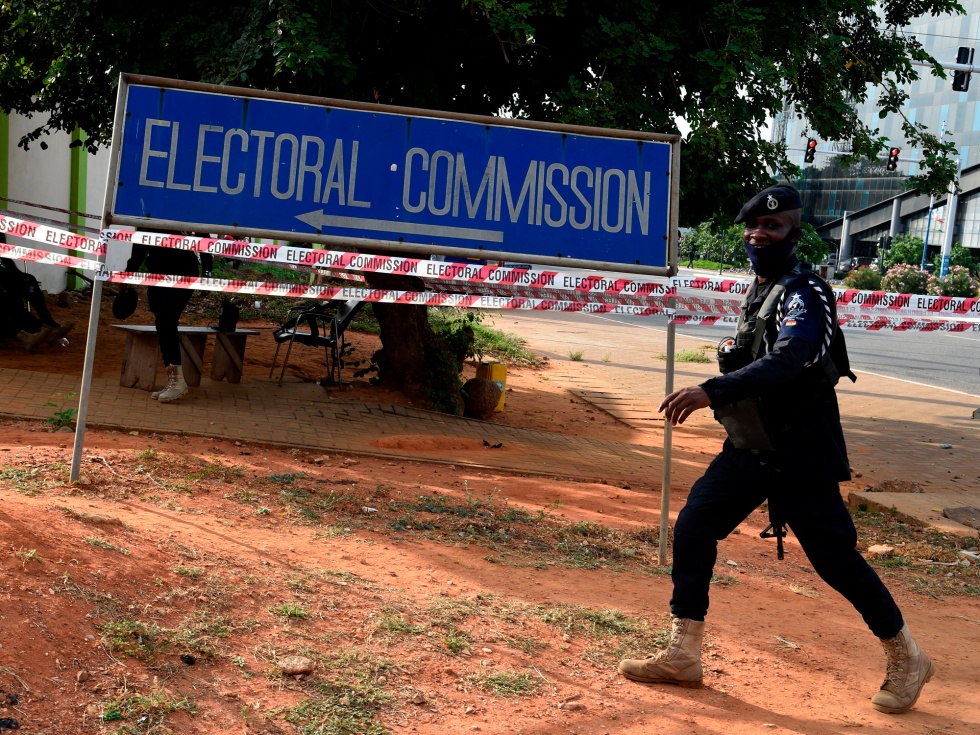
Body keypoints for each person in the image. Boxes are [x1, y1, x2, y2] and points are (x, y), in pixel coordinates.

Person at [618, 185, 934, 715]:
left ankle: (908, 657)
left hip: (801, 454)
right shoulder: (760, 291)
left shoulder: (806, 294)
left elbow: (790, 361)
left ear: (794, 233)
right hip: (750, 447)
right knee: (694, 525)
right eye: (756, 227)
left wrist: (710, 391)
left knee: (834, 560)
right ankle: (683, 654)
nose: (760, 234)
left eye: (774, 227)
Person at [122, 236, 212, 402]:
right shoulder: (149, 213)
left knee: (166, 320)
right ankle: (174, 380)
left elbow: (204, 236)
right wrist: (129, 271)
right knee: (162, 323)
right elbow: (141, 241)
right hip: (156, 272)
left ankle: (177, 383)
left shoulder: (185, 212)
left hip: (184, 271)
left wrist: (207, 271)